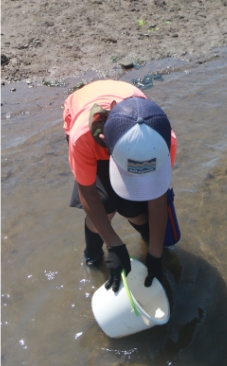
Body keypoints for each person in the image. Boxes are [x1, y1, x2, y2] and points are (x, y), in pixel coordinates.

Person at [63, 80, 177, 292]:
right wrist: (114, 244)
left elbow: (157, 197)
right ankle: (93, 255)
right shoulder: (83, 138)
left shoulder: (164, 140)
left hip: (129, 124)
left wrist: (155, 256)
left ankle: (150, 241)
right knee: (104, 204)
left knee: (132, 207)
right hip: (91, 132)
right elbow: (87, 191)